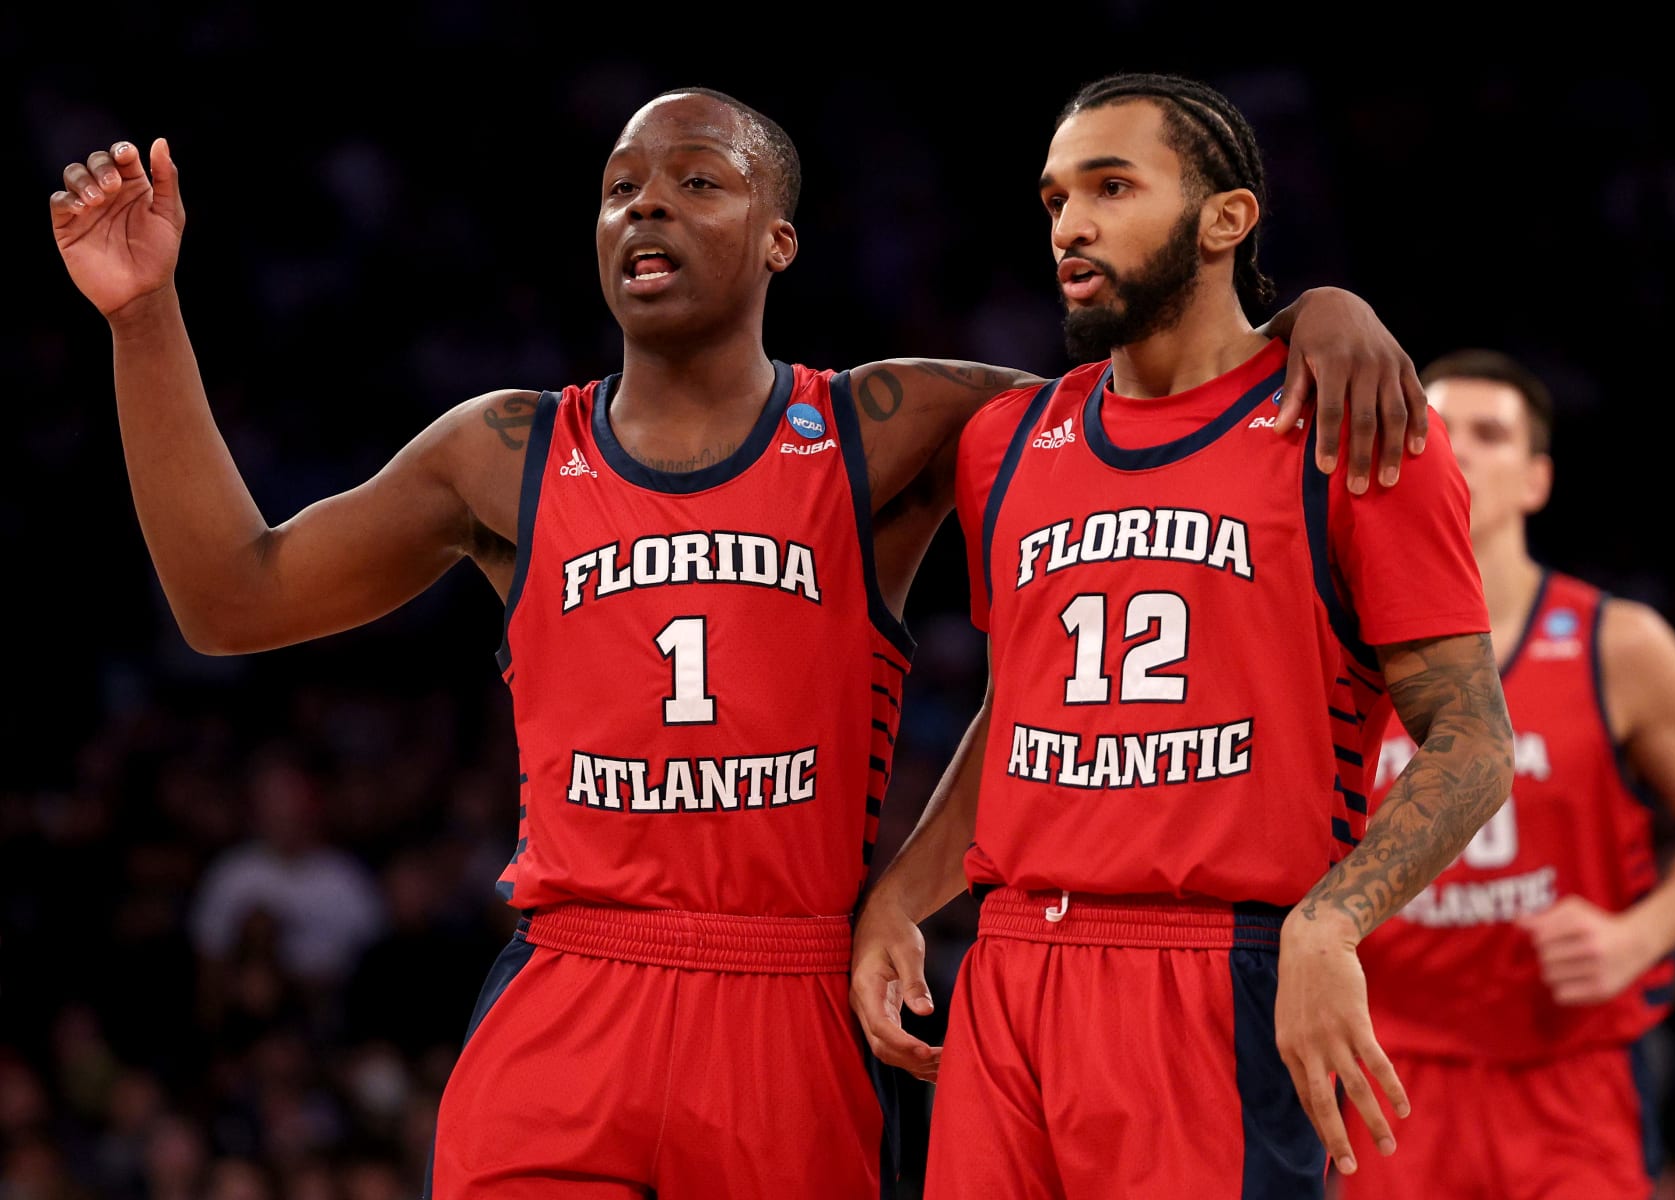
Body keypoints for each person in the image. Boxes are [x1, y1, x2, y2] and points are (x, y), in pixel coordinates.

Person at [51, 86, 1430, 1199]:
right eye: (618, 187)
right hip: (568, 991)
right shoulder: (503, 450)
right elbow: (231, 599)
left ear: (779, 237)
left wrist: (1314, 312)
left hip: (788, 1003)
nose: (646, 201)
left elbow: (1161, 388)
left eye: (697, 179)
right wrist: (145, 318)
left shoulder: (890, 424)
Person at [849, 71, 1517, 1199]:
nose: (1073, 223)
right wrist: (899, 899)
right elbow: (1019, 709)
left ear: (1226, 218)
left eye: (1113, 186)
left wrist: (1332, 923)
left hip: (1218, 968)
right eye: (1057, 197)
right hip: (1010, 969)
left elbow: (1474, 736)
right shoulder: (1008, 441)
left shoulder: (1348, 424)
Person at [1337, 350, 1675, 1200]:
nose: (1457, 449)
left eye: (1490, 434)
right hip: (1388, 1076)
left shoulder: (1616, 643)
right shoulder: (1337, 646)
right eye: (1436, 429)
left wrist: (1640, 938)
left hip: (1566, 1073)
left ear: (1538, 480)